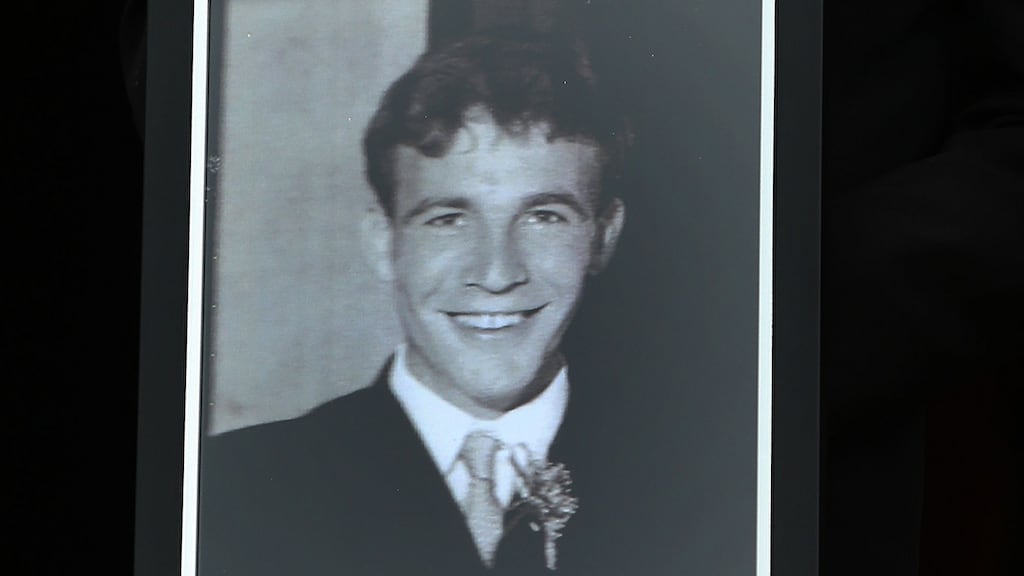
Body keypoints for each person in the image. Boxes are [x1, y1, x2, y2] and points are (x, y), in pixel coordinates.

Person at [199, 34, 685, 576]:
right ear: (384, 243)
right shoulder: (227, 494)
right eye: (448, 219)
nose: (497, 273)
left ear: (603, 236)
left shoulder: (704, 484)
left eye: (544, 216)